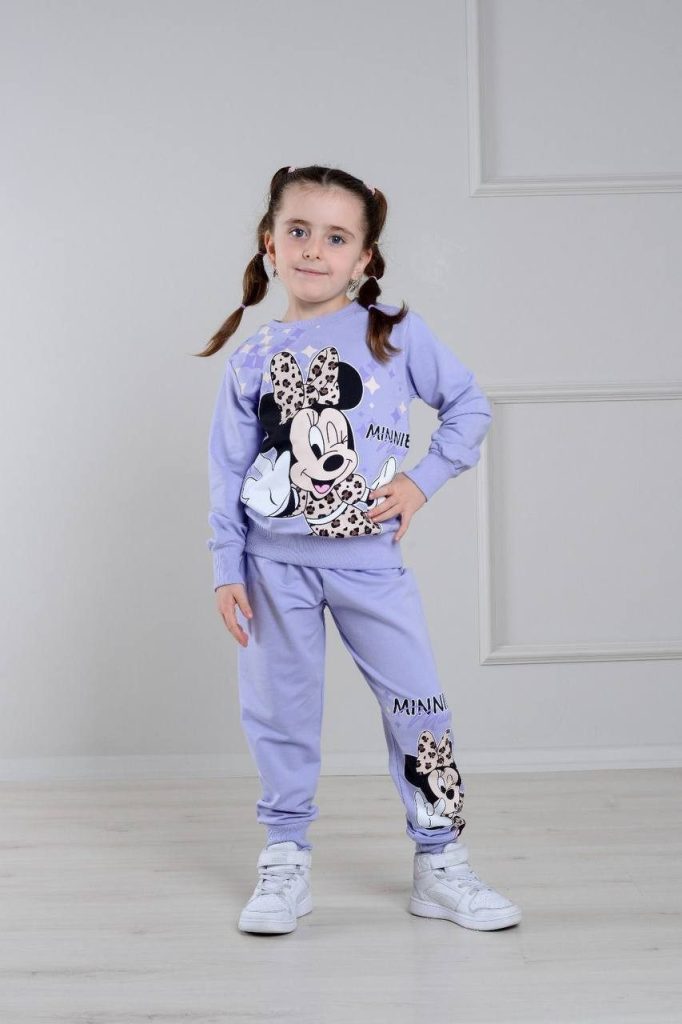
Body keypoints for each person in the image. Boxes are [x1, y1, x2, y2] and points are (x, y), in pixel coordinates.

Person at [200, 164, 522, 935]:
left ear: (364, 257)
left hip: (369, 564)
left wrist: (420, 482)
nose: (315, 249)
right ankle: (284, 858)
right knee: (279, 713)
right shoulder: (252, 358)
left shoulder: (394, 333)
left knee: (419, 706)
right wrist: (225, 568)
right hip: (272, 569)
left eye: (336, 237)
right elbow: (226, 473)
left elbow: (469, 407)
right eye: (299, 231)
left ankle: (441, 861)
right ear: (270, 243)